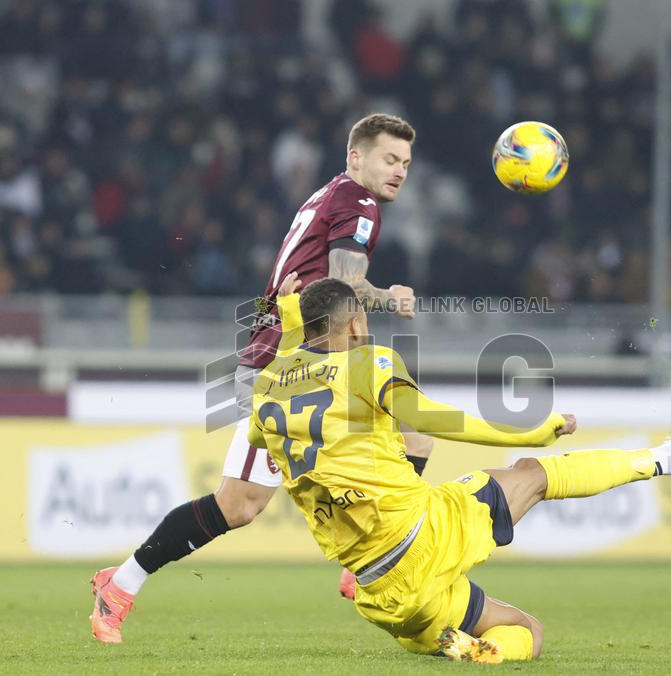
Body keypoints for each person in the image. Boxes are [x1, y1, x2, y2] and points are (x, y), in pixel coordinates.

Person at [90, 114, 434, 643]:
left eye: (406, 164)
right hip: (286, 367)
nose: (399, 171)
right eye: (390, 159)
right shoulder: (356, 203)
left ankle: (372, 562)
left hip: (310, 356)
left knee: (410, 432)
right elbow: (345, 282)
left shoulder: (329, 197)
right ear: (355, 158)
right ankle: (121, 584)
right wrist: (391, 298)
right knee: (240, 504)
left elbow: (298, 289)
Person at [248, 278, 671, 662]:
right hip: (423, 535)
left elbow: (260, 432)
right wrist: (532, 431)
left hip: (381, 593)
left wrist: (287, 322)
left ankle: (478, 650)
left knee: (526, 630)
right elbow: (439, 420)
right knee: (532, 472)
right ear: (356, 324)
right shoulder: (368, 362)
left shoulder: (267, 389)